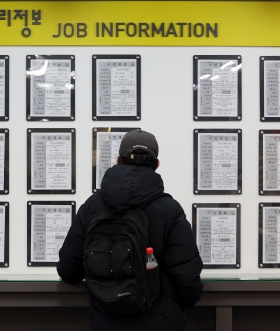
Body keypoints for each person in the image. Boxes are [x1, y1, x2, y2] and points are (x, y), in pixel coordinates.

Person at [57, 129, 203, 331]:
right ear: (156, 165)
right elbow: (188, 283)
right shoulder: (169, 210)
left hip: (105, 321)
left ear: (117, 160)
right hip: (160, 322)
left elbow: (68, 271)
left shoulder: (92, 207)